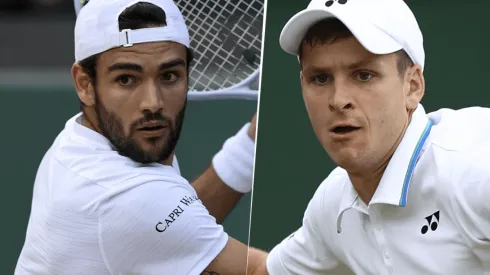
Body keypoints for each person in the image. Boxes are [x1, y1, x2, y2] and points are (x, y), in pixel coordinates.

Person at [14, 0, 267, 274]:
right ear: (85, 84)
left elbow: (173, 233)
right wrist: (321, 220)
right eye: (126, 79)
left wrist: (250, 145)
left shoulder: (79, 140)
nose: (153, 102)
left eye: (169, 76)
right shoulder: (122, 197)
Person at [257, 0, 490, 274]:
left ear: (412, 86)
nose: (338, 100)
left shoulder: (474, 169)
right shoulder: (333, 206)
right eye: (320, 79)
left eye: (364, 75)